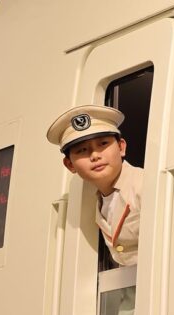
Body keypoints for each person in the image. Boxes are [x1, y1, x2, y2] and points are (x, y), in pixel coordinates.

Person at [46, 105, 143, 267]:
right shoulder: (97, 200)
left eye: (103, 144)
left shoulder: (144, 185)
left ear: (121, 147)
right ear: (70, 165)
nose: (95, 155)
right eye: (82, 150)